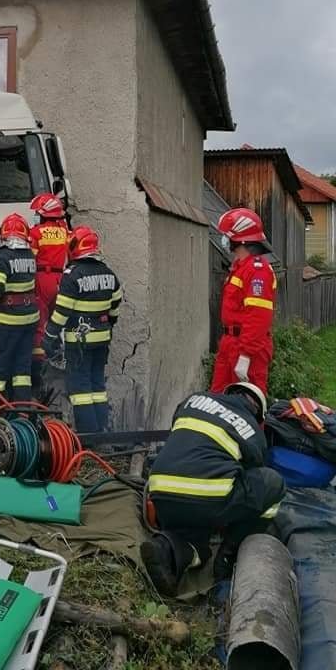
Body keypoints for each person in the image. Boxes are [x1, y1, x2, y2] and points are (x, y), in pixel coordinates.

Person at [140, 382, 285, 594]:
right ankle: (228, 555)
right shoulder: (251, 428)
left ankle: (165, 549)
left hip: (161, 493)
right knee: (273, 484)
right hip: (209, 500)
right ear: (258, 414)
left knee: (196, 543)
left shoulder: (193, 400)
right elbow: (254, 473)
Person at [41, 226, 121, 434]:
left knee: (80, 390)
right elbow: (115, 307)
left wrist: (49, 336)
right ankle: (102, 431)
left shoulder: (72, 275)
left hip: (79, 342)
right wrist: (106, 326)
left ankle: (88, 436)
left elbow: (62, 312)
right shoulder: (109, 274)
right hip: (102, 341)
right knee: (97, 386)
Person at [210, 207, 277, 396]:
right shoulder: (240, 267)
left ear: (240, 239)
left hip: (248, 346)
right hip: (230, 343)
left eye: (227, 235)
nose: (224, 239)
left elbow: (258, 317)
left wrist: (246, 355)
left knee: (247, 404)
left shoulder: (257, 271)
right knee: (218, 399)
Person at [0, 213, 38, 405]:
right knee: (22, 369)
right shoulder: (30, 255)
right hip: (29, 319)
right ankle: (22, 410)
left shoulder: (2, 257)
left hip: (7, 321)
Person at [29, 193, 70, 394]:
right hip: (60, 278)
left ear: (44, 214)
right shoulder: (65, 232)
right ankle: (57, 353)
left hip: (41, 277)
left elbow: (30, 258)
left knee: (40, 322)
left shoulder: (36, 233)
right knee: (56, 321)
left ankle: (38, 367)